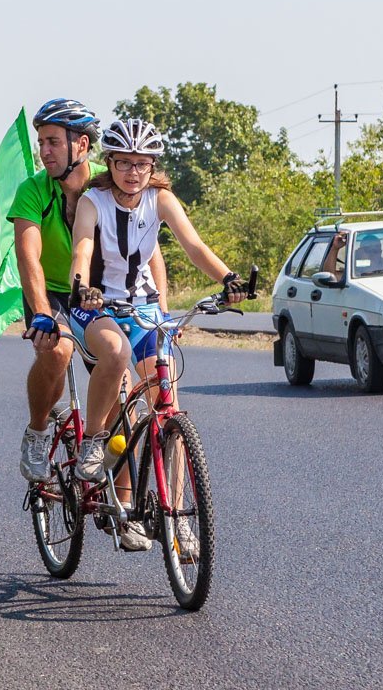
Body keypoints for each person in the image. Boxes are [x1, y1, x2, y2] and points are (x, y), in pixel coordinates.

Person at [68, 118, 248, 551]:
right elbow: (82, 249)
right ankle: (93, 442)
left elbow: (194, 246)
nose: (134, 172)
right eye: (124, 163)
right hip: (97, 305)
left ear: (153, 166)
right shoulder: (93, 202)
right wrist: (82, 286)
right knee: (115, 353)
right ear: (110, 162)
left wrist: (228, 278)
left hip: (146, 308)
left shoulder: (160, 199)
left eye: (143, 164)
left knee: (168, 407)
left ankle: (179, 519)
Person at [11, 99, 167, 485]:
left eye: (52, 142)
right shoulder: (33, 190)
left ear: (81, 145)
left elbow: (148, 249)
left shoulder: (112, 178)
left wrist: (162, 309)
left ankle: (123, 503)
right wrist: (43, 312)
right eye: (41, 142)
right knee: (57, 349)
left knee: (123, 402)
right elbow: (29, 259)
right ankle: (37, 431)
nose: (44, 151)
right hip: (53, 293)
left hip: (104, 295)